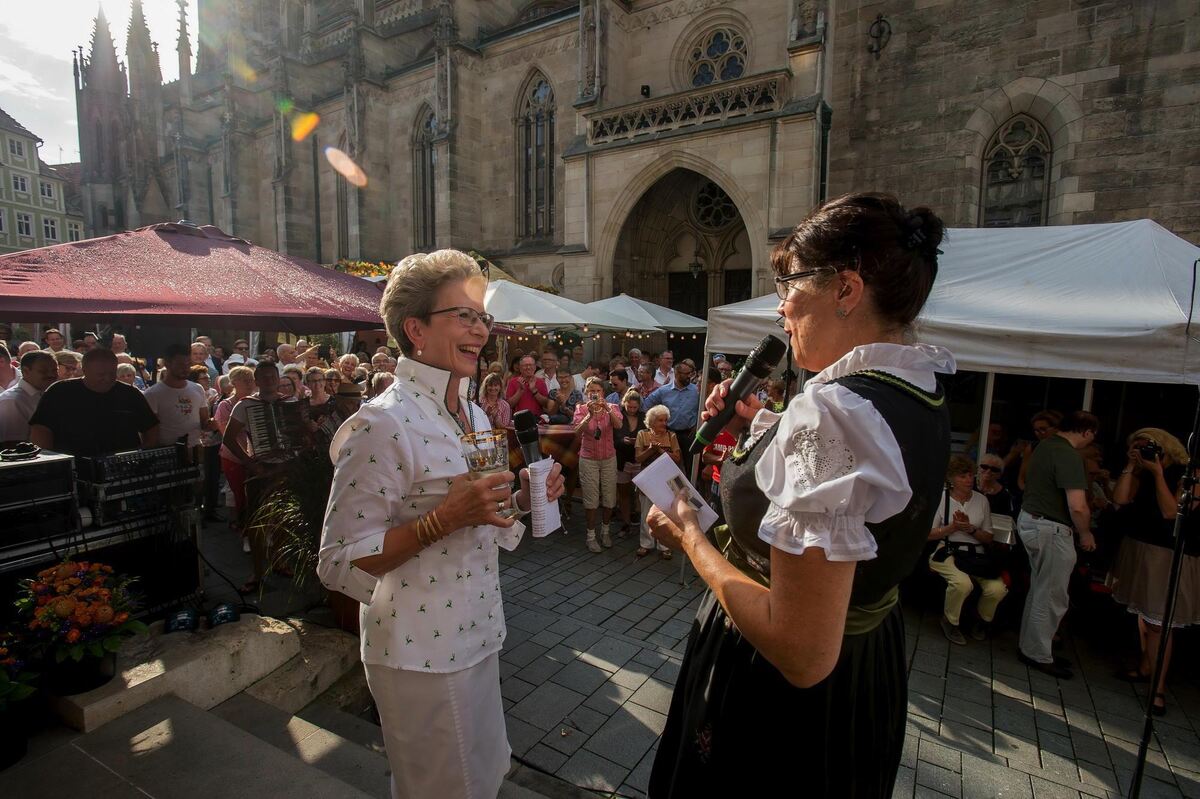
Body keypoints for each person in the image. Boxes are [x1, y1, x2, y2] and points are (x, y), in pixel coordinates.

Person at [643, 193, 953, 798]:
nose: (781, 307)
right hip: (867, 669)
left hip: (784, 690)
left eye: (788, 284)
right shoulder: (916, 385)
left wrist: (691, 536)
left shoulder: (833, 412)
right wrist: (755, 434)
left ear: (846, 289)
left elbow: (802, 652)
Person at [315, 249, 564, 799]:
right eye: (465, 315)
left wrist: (521, 496)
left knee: (486, 775)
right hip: (418, 651)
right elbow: (336, 561)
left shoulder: (474, 413)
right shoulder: (382, 424)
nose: (481, 329)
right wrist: (440, 521)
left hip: (479, 631)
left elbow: (483, 518)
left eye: (483, 317)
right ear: (415, 329)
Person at [1109, 428, 1193, 716]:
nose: (1144, 451)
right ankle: (1146, 666)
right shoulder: (1140, 471)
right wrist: (1131, 467)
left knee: (1159, 621)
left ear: (1165, 447)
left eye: (1149, 447)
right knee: (1143, 612)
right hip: (1139, 545)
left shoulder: (1187, 472)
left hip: (1167, 554)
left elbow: (1171, 512)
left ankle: (1157, 689)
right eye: (1138, 447)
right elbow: (1120, 499)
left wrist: (1158, 473)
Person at [1016, 410, 1098, 679]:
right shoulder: (1068, 454)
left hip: (1031, 520)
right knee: (1051, 595)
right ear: (1087, 432)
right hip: (1051, 528)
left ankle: (1031, 646)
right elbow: (1078, 506)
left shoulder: (1044, 446)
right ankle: (1038, 652)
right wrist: (1085, 534)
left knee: (1040, 589)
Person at [928, 455, 1008, 644]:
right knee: (962, 584)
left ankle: (982, 621)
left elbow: (988, 537)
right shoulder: (942, 498)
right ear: (952, 479)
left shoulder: (982, 501)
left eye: (971, 475)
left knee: (997, 589)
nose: (969, 480)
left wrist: (971, 529)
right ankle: (950, 621)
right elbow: (929, 534)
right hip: (947, 549)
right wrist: (952, 528)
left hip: (975, 552)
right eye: (963, 476)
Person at [30, 348, 160, 456]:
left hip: (121, 468)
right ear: (84, 370)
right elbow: (40, 429)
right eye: (101, 375)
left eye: (112, 373)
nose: (107, 379)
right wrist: (51, 462)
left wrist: (142, 454)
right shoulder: (59, 392)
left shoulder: (130, 394)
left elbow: (151, 428)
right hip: (75, 468)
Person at [574, 377, 622, 553]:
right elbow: (576, 431)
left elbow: (619, 425)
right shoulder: (581, 408)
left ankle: (606, 531)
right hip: (588, 458)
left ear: (603, 392)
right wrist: (589, 415)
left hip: (608, 458)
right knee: (591, 499)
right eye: (591, 391)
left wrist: (607, 408)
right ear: (586, 393)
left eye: (597, 390)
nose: (594, 394)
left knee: (609, 497)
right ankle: (590, 536)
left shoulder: (613, 407)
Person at [216, 365, 255, 551]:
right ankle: (246, 533)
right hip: (233, 457)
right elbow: (226, 433)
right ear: (234, 383)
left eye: (251, 380)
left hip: (254, 456)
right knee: (241, 496)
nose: (249, 383)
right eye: (245, 380)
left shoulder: (256, 402)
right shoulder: (226, 405)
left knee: (255, 495)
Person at [635, 405, 682, 558]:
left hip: (665, 479)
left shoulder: (671, 436)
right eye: (660, 420)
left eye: (665, 420)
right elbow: (638, 458)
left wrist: (660, 450)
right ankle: (645, 543)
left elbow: (677, 459)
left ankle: (664, 545)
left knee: (665, 513)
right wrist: (650, 449)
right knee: (646, 513)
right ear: (652, 421)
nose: (664, 423)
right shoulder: (642, 434)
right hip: (647, 478)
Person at [644, 361, 701, 479]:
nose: (688, 376)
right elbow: (646, 405)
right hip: (668, 434)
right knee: (668, 467)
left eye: (690, 373)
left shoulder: (696, 390)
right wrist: (655, 425)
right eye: (685, 374)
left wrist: (698, 424)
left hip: (689, 434)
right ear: (676, 373)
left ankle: (692, 490)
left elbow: (704, 408)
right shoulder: (663, 391)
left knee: (691, 466)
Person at [0, 351, 57, 443]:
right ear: (26, 371)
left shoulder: (50, 393)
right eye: (43, 371)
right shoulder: (11, 401)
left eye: (55, 370)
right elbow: (12, 445)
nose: (51, 375)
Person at [614, 389, 646, 540]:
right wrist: (622, 441)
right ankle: (625, 523)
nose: (632, 410)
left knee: (641, 493)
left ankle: (641, 523)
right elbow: (612, 438)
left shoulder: (644, 417)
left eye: (635, 407)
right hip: (622, 459)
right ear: (624, 404)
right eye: (629, 407)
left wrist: (638, 442)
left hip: (638, 459)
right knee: (624, 492)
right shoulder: (618, 415)